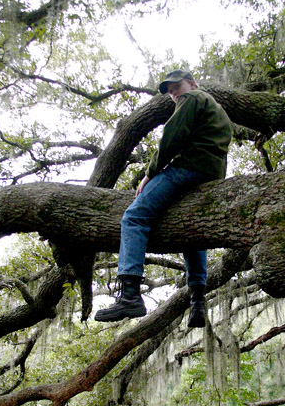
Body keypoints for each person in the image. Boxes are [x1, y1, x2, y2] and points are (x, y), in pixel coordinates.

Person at [94, 70, 232, 327]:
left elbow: (171, 138)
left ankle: (130, 295)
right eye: (170, 92)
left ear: (192, 83)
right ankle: (197, 301)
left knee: (134, 217)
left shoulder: (192, 98)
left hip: (187, 168)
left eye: (176, 87)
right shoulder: (217, 109)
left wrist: (150, 173)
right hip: (210, 176)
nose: (174, 94)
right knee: (193, 233)